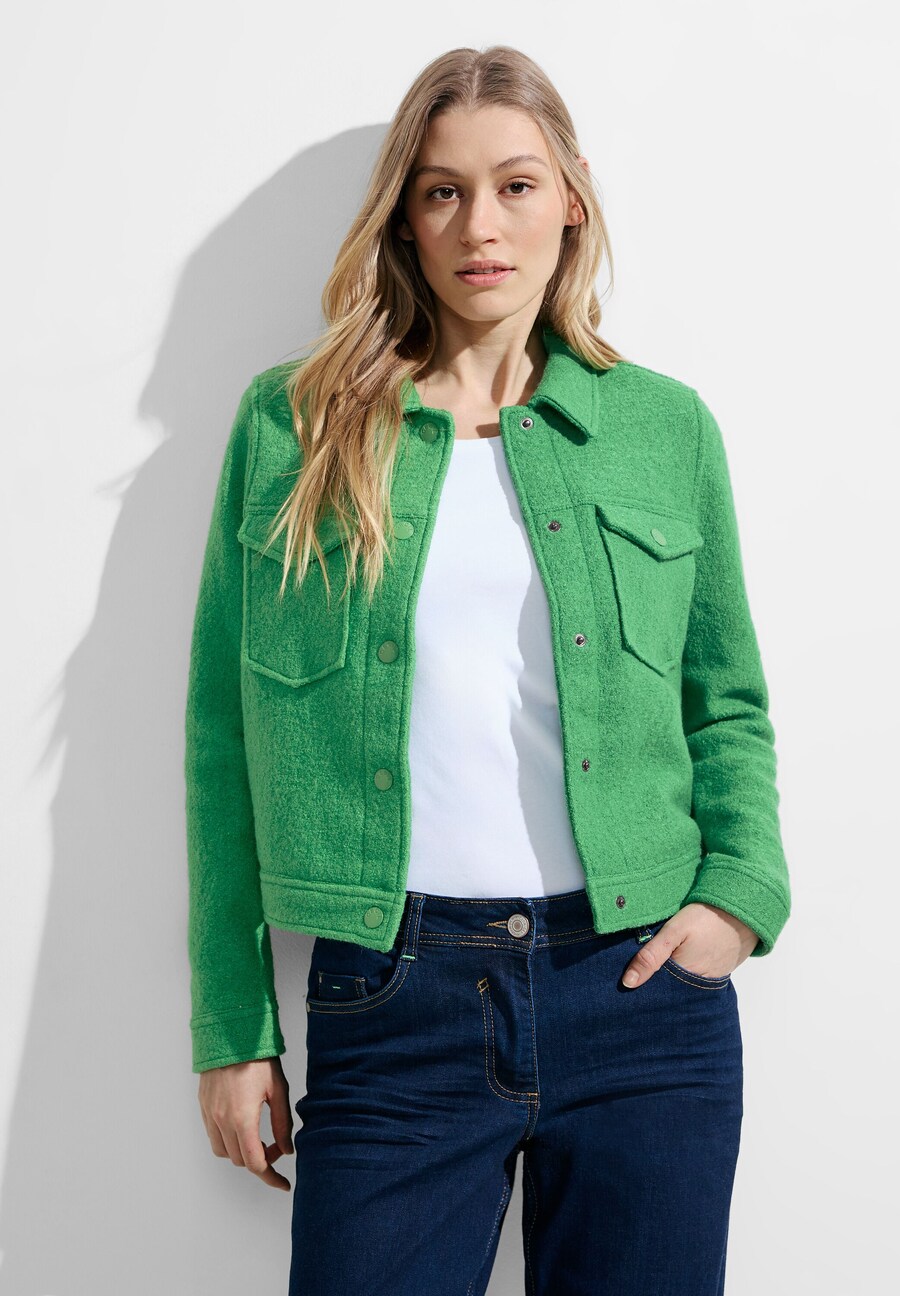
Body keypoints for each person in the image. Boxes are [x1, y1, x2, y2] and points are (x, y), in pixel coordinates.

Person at [184, 44, 791, 1296]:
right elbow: (221, 738)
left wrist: (738, 897)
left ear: (571, 196)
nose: (481, 227)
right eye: (442, 191)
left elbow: (725, 702)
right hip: (392, 1001)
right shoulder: (293, 426)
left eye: (516, 185)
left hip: (641, 999)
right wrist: (231, 1029)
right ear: (404, 217)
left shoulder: (663, 427)